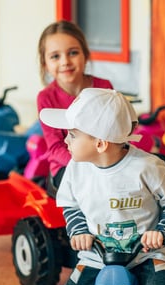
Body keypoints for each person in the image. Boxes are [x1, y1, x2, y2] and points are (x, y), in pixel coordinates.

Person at [40, 88, 165, 285]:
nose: (66, 140)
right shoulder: (75, 169)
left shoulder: (147, 167)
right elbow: (70, 205)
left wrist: (163, 232)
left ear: (100, 144)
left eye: (72, 134)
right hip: (97, 254)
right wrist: (80, 231)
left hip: (146, 253)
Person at [37, 20, 113, 191]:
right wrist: (90, 165)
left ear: (85, 56)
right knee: (91, 187)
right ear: (45, 64)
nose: (65, 62)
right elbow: (56, 147)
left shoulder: (104, 87)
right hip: (67, 166)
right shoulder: (45, 98)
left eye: (72, 53)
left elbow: (113, 131)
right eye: (55, 56)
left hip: (104, 160)